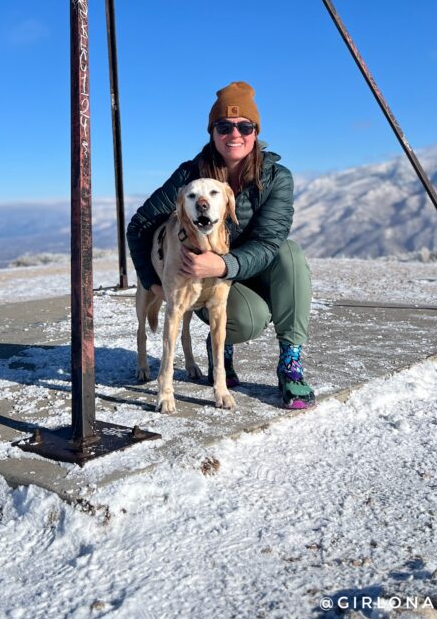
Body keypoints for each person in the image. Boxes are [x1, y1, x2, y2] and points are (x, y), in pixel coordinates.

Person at [126, 81, 315, 410]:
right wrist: (152, 281)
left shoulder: (276, 177)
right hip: (208, 279)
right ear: (212, 132)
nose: (234, 134)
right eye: (224, 126)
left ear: (255, 131)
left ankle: (290, 362)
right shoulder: (190, 176)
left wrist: (224, 265)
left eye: (245, 126)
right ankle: (221, 352)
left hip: (243, 267)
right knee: (248, 319)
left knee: (290, 253)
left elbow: (270, 240)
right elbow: (140, 225)